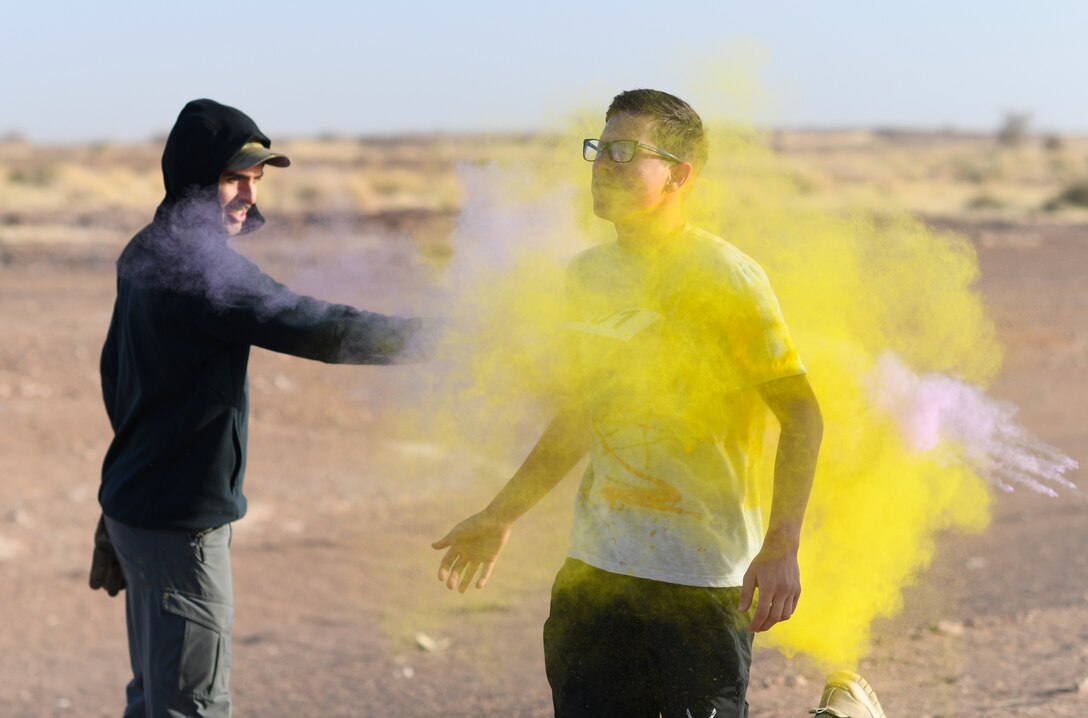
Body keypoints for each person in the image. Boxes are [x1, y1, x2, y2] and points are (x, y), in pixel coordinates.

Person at [432, 89, 885, 718]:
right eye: (599, 149)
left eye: (625, 151)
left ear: (679, 174)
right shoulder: (586, 277)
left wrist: (781, 546)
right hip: (595, 571)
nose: (604, 165)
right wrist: (501, 514)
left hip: (700, 578)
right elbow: (583, 415)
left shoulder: (725, 276)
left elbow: (801, 413)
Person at [89, 98, 430, 718]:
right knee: (191, 707)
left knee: (154, 698)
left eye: (255, 179)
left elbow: (118, 378)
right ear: (194, 177)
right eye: (232, 177)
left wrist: (115, 502)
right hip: (177, 525)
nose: (248, 193)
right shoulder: (203, 272)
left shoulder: (146, 249)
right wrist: (447, 339)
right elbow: (321, 328)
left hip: (137, 508)